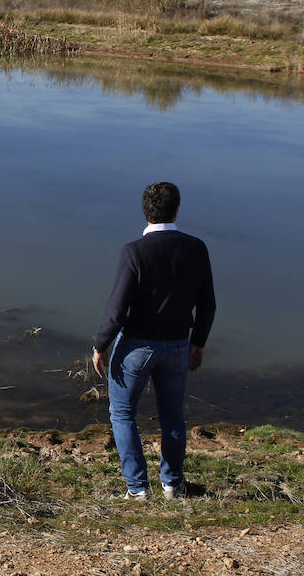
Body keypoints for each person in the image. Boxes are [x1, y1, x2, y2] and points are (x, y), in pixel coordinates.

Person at [92, 181, 215, 500]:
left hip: (136, 346)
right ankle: (173, 485)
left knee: (122, 415)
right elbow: (207, 303)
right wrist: (198, 342)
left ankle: (137, 488)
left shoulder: (134, 251)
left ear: (145, 212)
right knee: (173, 416)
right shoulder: (196, 248)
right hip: (177, 345)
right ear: (176, 210)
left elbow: (117, 308)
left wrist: (100, 344)